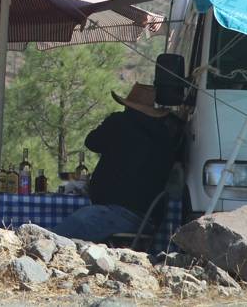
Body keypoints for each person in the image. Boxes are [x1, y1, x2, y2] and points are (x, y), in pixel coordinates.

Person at [52, 83, 182, 242]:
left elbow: (91, 142)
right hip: (148, 220)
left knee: (65, 231)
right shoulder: (164, 135)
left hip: (119, 214)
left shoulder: (120, 121)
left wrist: (109, 123)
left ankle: (40, 247)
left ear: (128, 106)